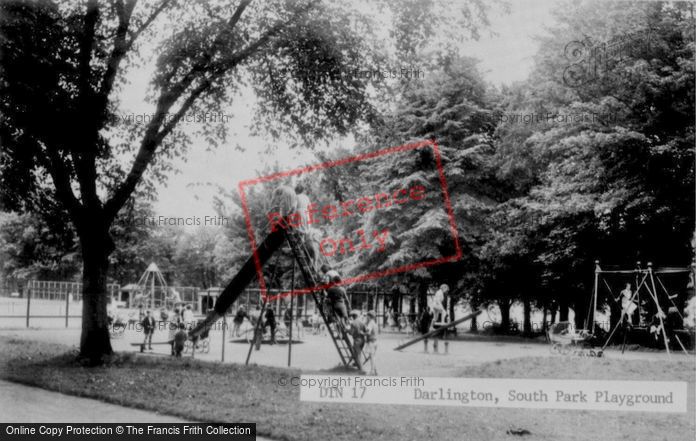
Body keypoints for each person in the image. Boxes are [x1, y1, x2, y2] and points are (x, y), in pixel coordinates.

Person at [365, 310, 379, 376]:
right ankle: (375, 371)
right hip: (376, 341)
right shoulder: (375, 323)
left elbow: (368, 332)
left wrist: (362, 333)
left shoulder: (370, 323)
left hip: (371, 342)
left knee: (372, 357)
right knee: (373, 357)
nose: (366, 317)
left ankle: (372, 371)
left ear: (369, 316)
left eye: (367, 316)